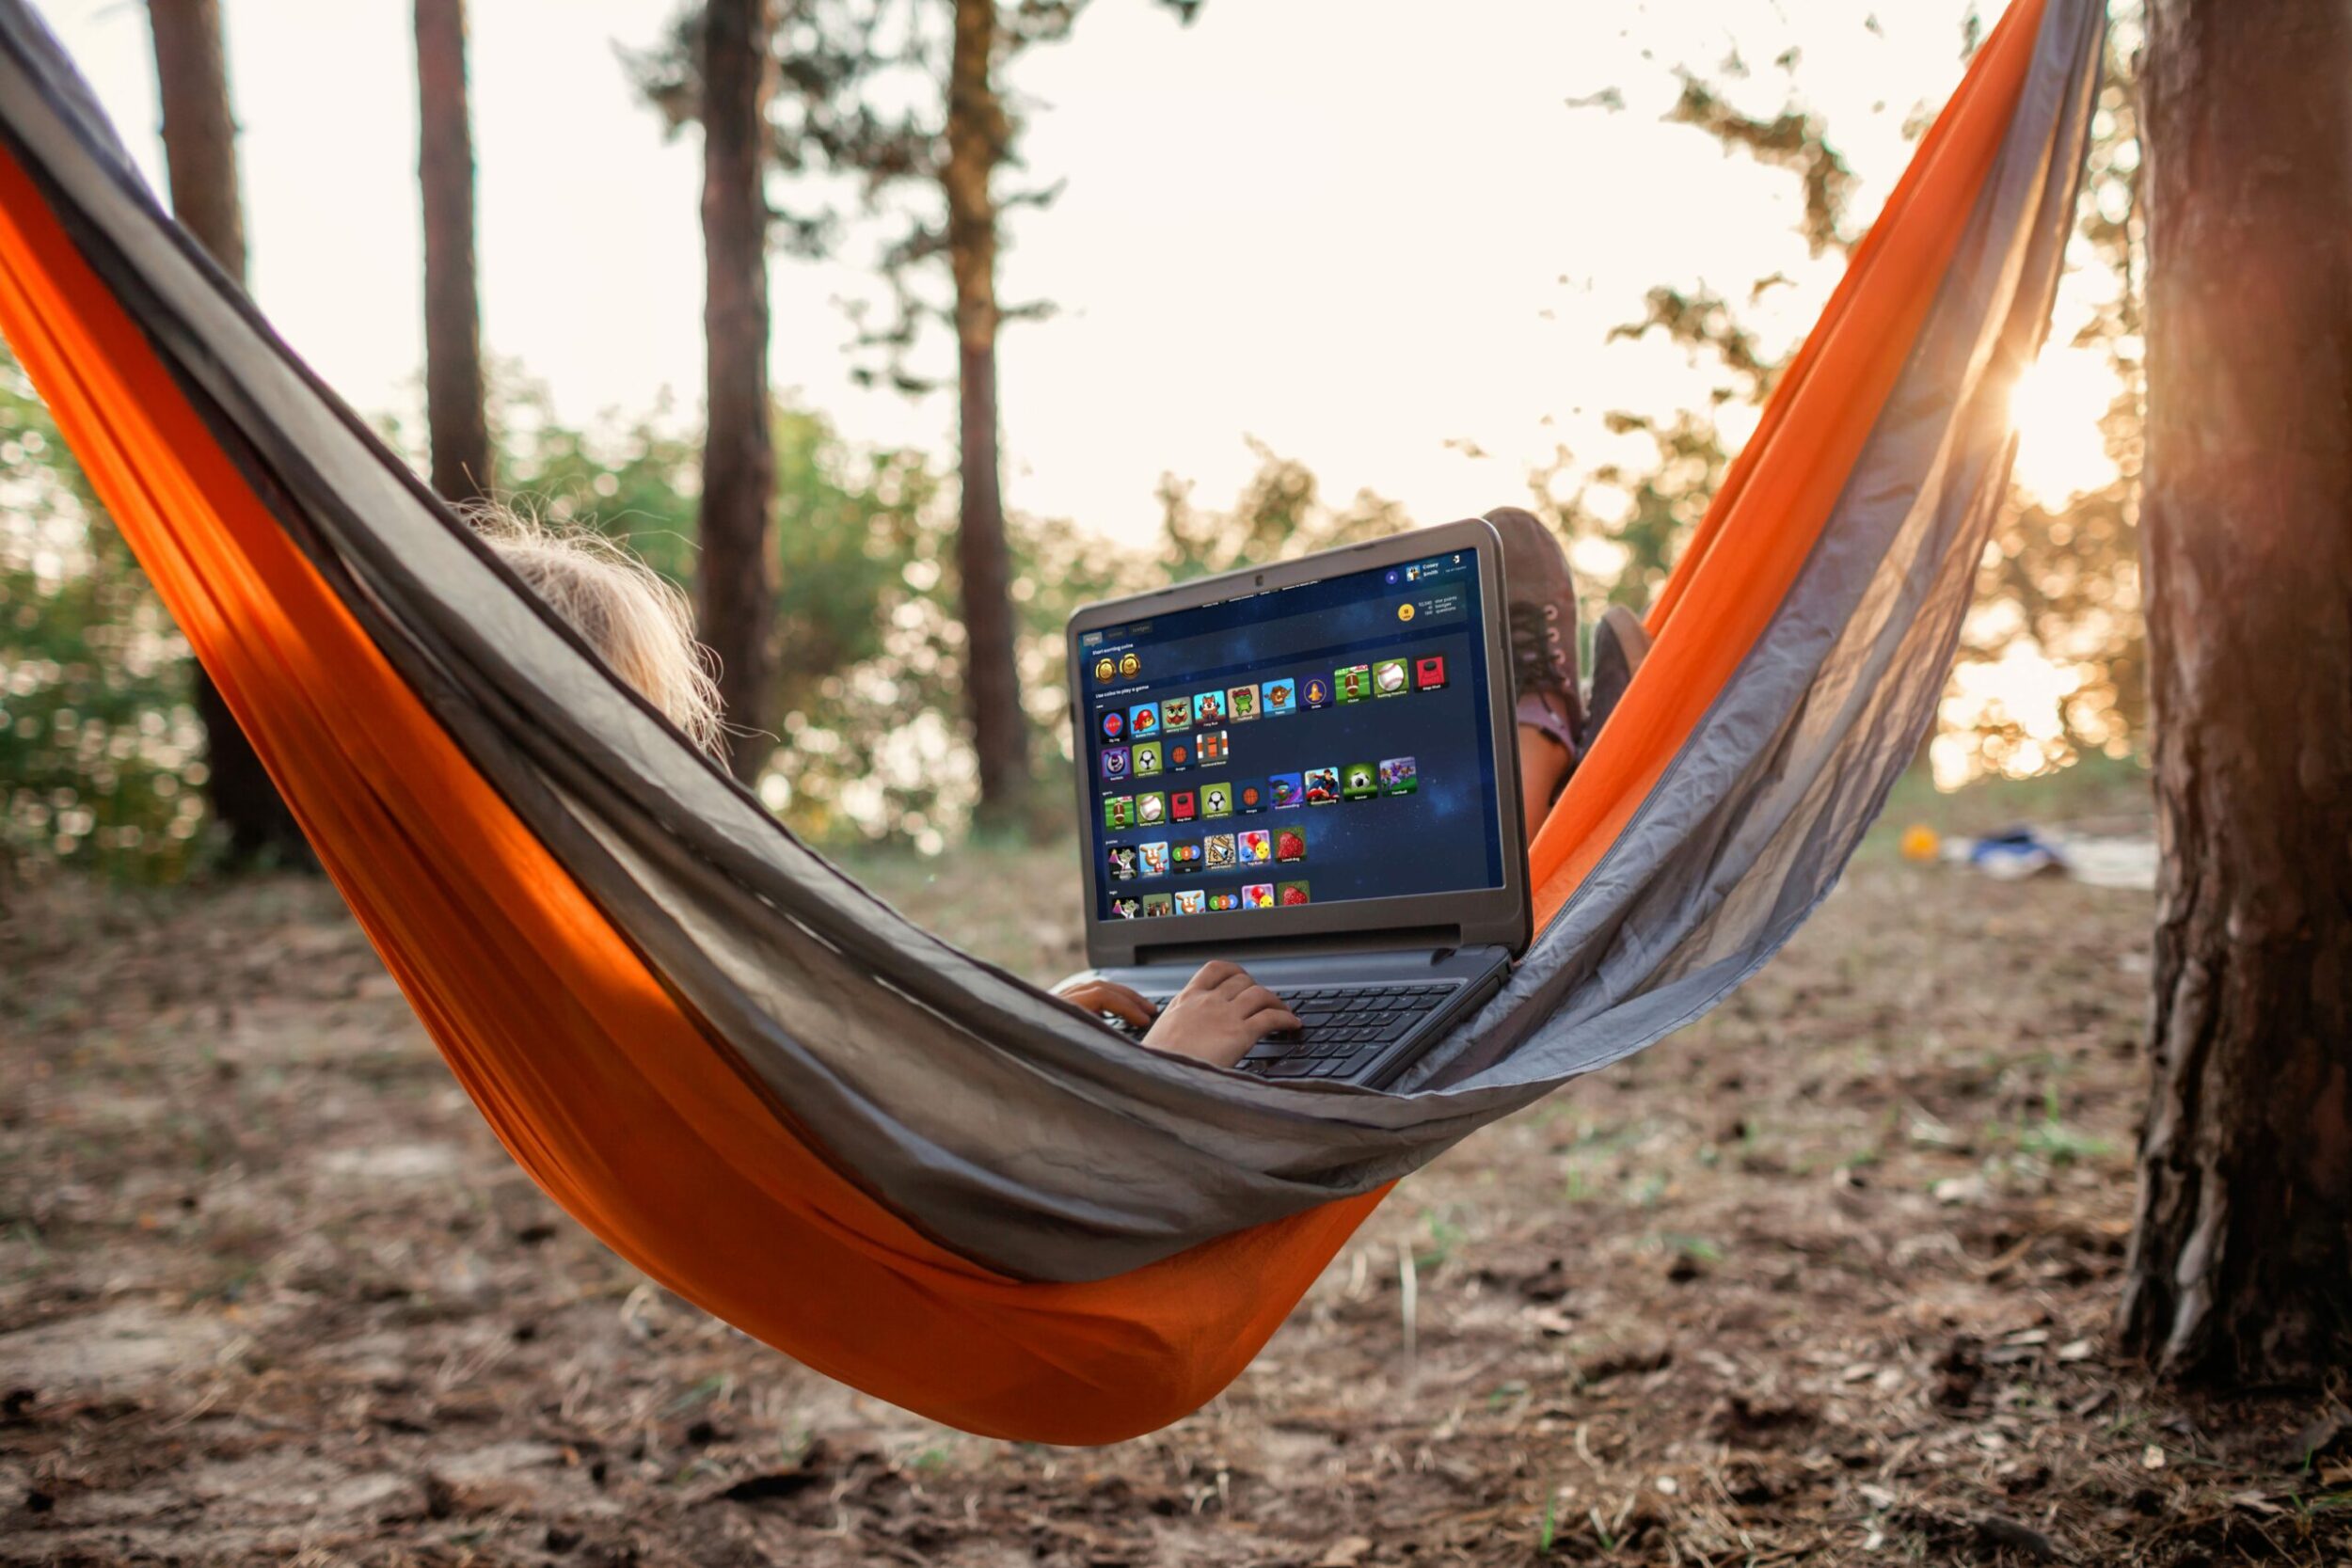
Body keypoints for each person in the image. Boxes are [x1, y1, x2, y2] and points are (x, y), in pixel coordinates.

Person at [472, 502, 1645, 1072]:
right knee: (1463, 936)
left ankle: (1537, 760)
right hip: (1101, 1176)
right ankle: (1546, 758)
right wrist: (1170, 1075)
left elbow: (875, 1097)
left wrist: (1042, 1031)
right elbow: (964, 1181)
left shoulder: (587, 952)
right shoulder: (654, 958)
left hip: (1046, 1097)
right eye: (661, 716)